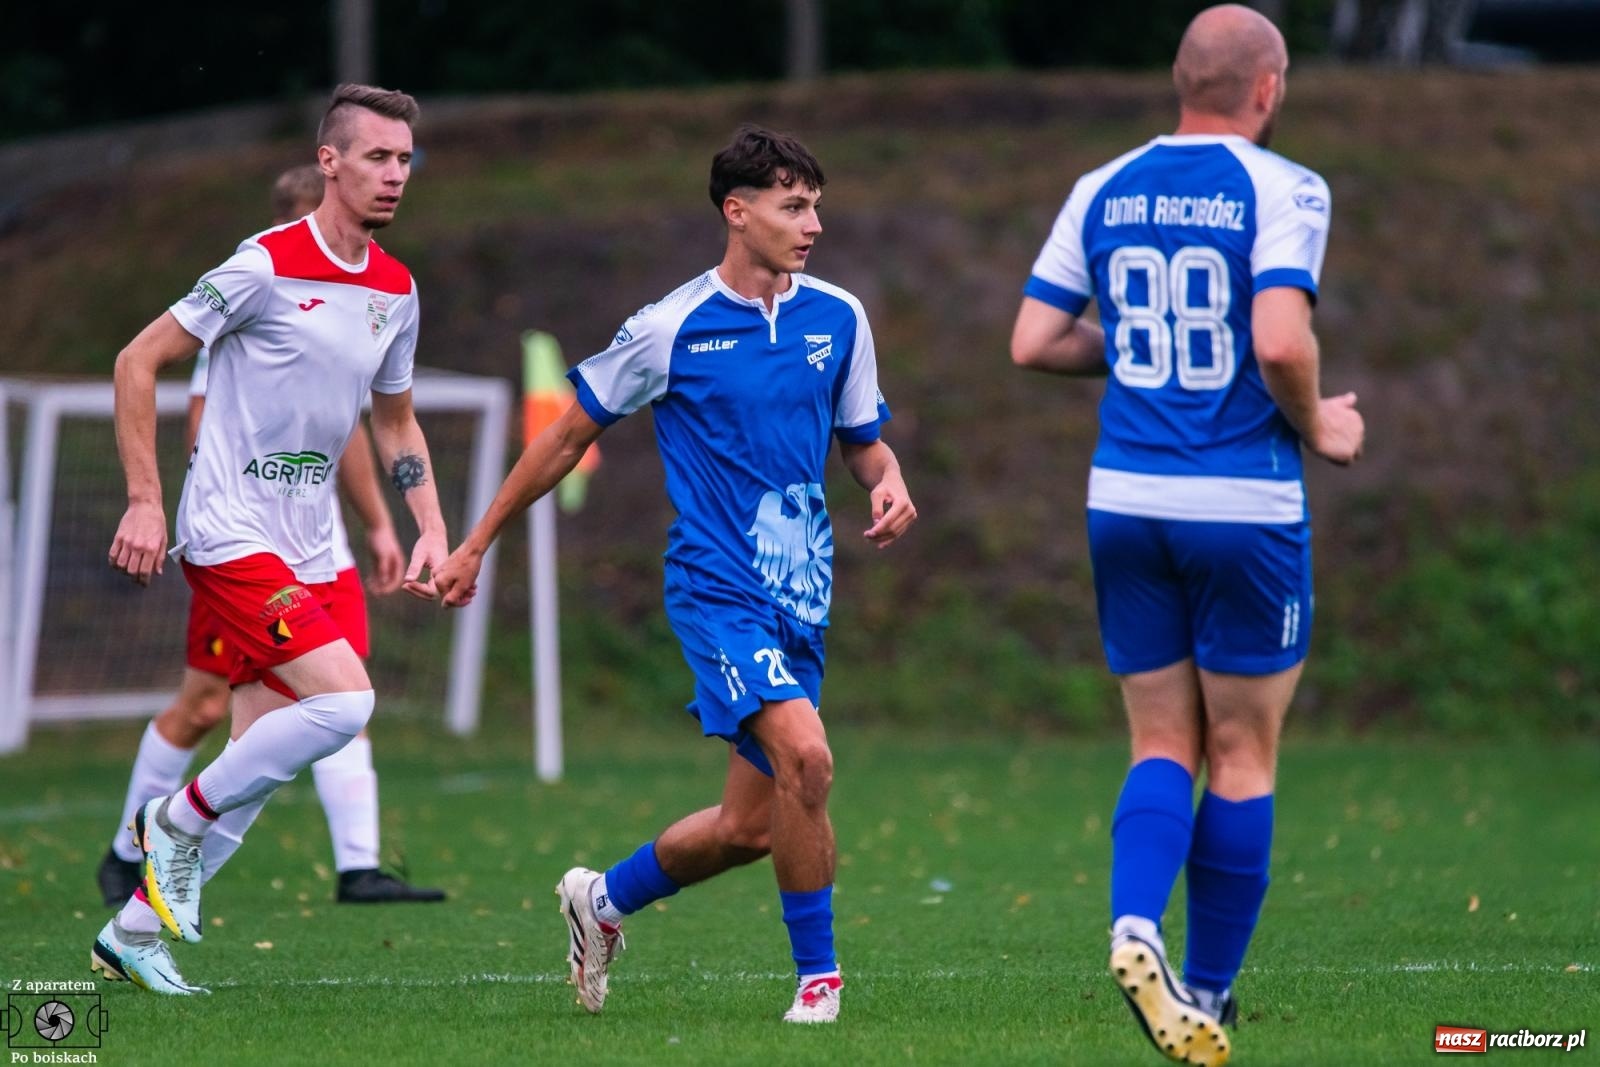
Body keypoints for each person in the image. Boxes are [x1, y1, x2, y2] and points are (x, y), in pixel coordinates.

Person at [432, 124, 916, 1024]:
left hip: (802, 594)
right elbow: (566, 436)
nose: (812, 224)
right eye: (792, 206)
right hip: (715, 588)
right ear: (738, 213)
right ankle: (820, 982)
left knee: (752, 826)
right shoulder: (669, 327)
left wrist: (888, 482)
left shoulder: (839, 316)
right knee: (808, 757)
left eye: (816, 206)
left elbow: (864, 445)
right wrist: (475, 544)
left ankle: (602, 900)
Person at [1010, 6, 1364, 1064]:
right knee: (1241, 749)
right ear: (1264, 88)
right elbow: (1275, 338)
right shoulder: (1286, 187)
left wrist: (1140, 354)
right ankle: (1204, 986)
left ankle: (1132, 927)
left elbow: (1032, 340)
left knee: (1159, 741)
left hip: (1122, 495)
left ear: (1180, 81)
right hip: (1241, 500)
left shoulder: (1102, 185)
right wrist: (1319, 423)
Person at [94, 84, 447, 995]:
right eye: (377, 156)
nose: (394, 174)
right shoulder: (263, 264)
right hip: (229, 532)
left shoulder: (396, 288)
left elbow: (398, 425)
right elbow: (140, 360)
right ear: (329, 161)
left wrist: (430, 530)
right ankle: (169, 819)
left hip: (308, 545)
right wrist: (145, 500)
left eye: (404, 159)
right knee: (345, 704)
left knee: (260, 765)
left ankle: (135, 932)